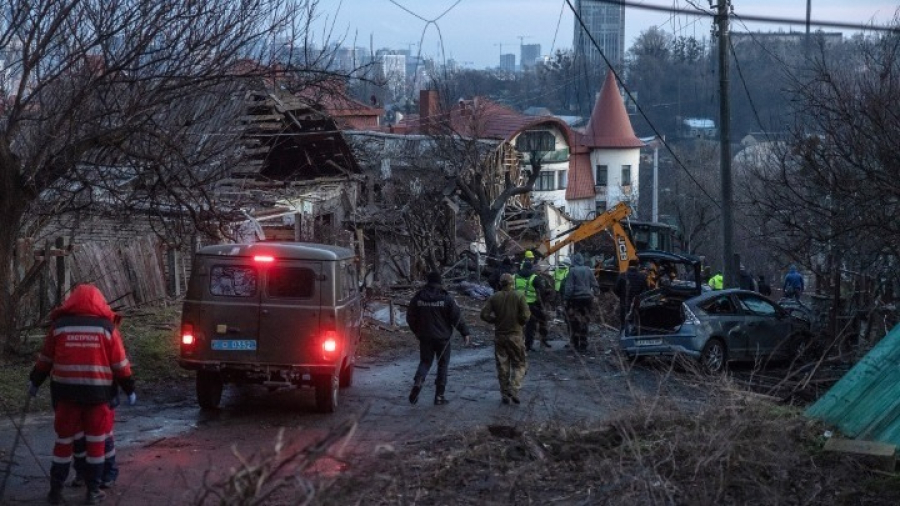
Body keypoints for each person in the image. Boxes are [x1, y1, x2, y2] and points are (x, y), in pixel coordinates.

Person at [28, 284, 136, 505]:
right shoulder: (106, 328)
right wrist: (129, 388)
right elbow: (119, 365)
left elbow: (45, 360)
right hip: (98, 396)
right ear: (99, 302)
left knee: (63, 442)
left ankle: (55, 490)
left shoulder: (59, 327)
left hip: (65, 395)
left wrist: (35, 381)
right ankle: (93, 491)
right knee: (96, 443)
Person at [407, 271, 472, 406]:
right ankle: (439, 396)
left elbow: (410, 317)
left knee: (425, 362)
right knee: (442, 364)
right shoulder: (446, 298)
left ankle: (418, 382)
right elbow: (456, 318)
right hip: (443, 339)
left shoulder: (419, 297)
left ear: (428, 281)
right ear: (440, 282)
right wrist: (465, 333)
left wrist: (418, 332)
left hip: (425, 337)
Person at [480, 273, 530, 404]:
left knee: (502, 366)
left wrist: (494, 320)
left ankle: (504, 393)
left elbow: (483, 314)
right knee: (520, 363)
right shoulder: (519, 295)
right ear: (512, 283)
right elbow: (526, 316)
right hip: (515, 336)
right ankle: (514, 388)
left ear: (500, 283)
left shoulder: (494, 297)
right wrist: (519, 323)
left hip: (500, 336)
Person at [562, 253, 599, 352]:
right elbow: (594, 283)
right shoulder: (588, 270)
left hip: (576, 300)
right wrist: (597, 293)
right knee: (585, 322)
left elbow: (569, 287)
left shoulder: (572, 271)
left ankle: (575, 345)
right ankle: (583, 345)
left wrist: (566, 298)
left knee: (574, 322)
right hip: (587, 300)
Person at [513, 260, 550, 351]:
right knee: (531, 325)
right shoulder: (534, 278)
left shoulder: (514, 276)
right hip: (530, 305)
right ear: (531, 268)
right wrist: (542, 304)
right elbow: (542, 291)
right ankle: (529, 345)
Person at [614, 259, 647, 328]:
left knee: (624, 324)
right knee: (635, 325)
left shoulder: (622, 275)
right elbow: (645, 291)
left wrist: (622, 297)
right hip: (637, 305)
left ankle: (623, 335)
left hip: (624, 304)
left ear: (628, 265)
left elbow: (616, 289)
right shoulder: (642, 276)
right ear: (638, 266)